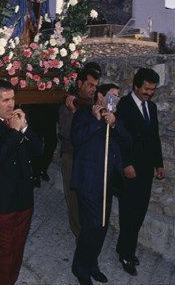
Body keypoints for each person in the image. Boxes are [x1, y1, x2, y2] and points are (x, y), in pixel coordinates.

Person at [0, 79, 42, 285]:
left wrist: (24, 129)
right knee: (2, 254)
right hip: (2, 202)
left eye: (13, 99)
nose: (11, 104)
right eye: (5, 100)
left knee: (17, 251)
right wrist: (14, 132)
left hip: (24, 199)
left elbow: (39, 151)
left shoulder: (17, 121)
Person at [71, 84, 130, 285]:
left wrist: (114, 125)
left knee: (102, 227)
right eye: (111, 96)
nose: (115, 100)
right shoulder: (84, 114)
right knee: (91, 227)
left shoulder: (114, 118)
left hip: (107, 182)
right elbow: (76, 138)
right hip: (88, 182)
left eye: (117, 97)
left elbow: (128, 140)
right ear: (99, 96)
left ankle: (92, 263)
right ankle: (80, 269)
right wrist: (97, 122)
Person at [115, 67, 165, 276]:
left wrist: (159, 164)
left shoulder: (151, 108)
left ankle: (126, 248)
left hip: (145, 170)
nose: (149, 93)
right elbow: (119, 138)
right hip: (130, 170)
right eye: (146, 89)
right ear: (136, 86)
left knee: (139, 213)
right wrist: (126, 164)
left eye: (152, 90)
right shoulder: (124, 106)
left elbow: (154, 137)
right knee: (128, 213)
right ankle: (125, 254)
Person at [58, 67, 101, 240]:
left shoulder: (92, 104)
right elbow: (67, 133)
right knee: (74, 198)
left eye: (95, 86)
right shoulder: (69, 105)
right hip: (72, 156)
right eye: (90, 85)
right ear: (80, 83)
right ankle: (79, 234)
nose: (93, 89)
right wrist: (80, 117)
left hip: (88, 158)